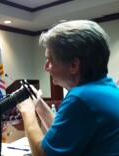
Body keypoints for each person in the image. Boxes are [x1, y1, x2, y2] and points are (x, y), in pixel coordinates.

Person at [17, 20, 119, 156]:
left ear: (73, 65)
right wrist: (39, 105)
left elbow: (42, 154)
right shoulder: (108, 89)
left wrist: (27, 110)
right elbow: (62, 136)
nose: (46, 67)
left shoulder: (80, 98)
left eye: (50, 60)